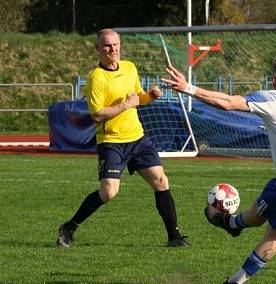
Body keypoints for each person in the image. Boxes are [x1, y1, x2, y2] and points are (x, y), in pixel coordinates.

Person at [162, 58, 276, 284]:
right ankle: (234, 281)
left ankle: (231, 223)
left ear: (274, 81)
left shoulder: (271, 97)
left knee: (261, 214)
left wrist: (188, 88)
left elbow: (227, 102)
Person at [56, 29, 189, 248]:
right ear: (98, 48)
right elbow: (97, 114)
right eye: (107, 46)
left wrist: (151, 97)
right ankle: (69, 227)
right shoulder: (96, 78)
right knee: (109, 192)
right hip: (111, 141)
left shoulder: (129, 68)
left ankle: (174, 237)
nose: (113, 49)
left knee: (161, 181)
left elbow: (138, 99)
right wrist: (125, 105)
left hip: (137, 138)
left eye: (116, 45)